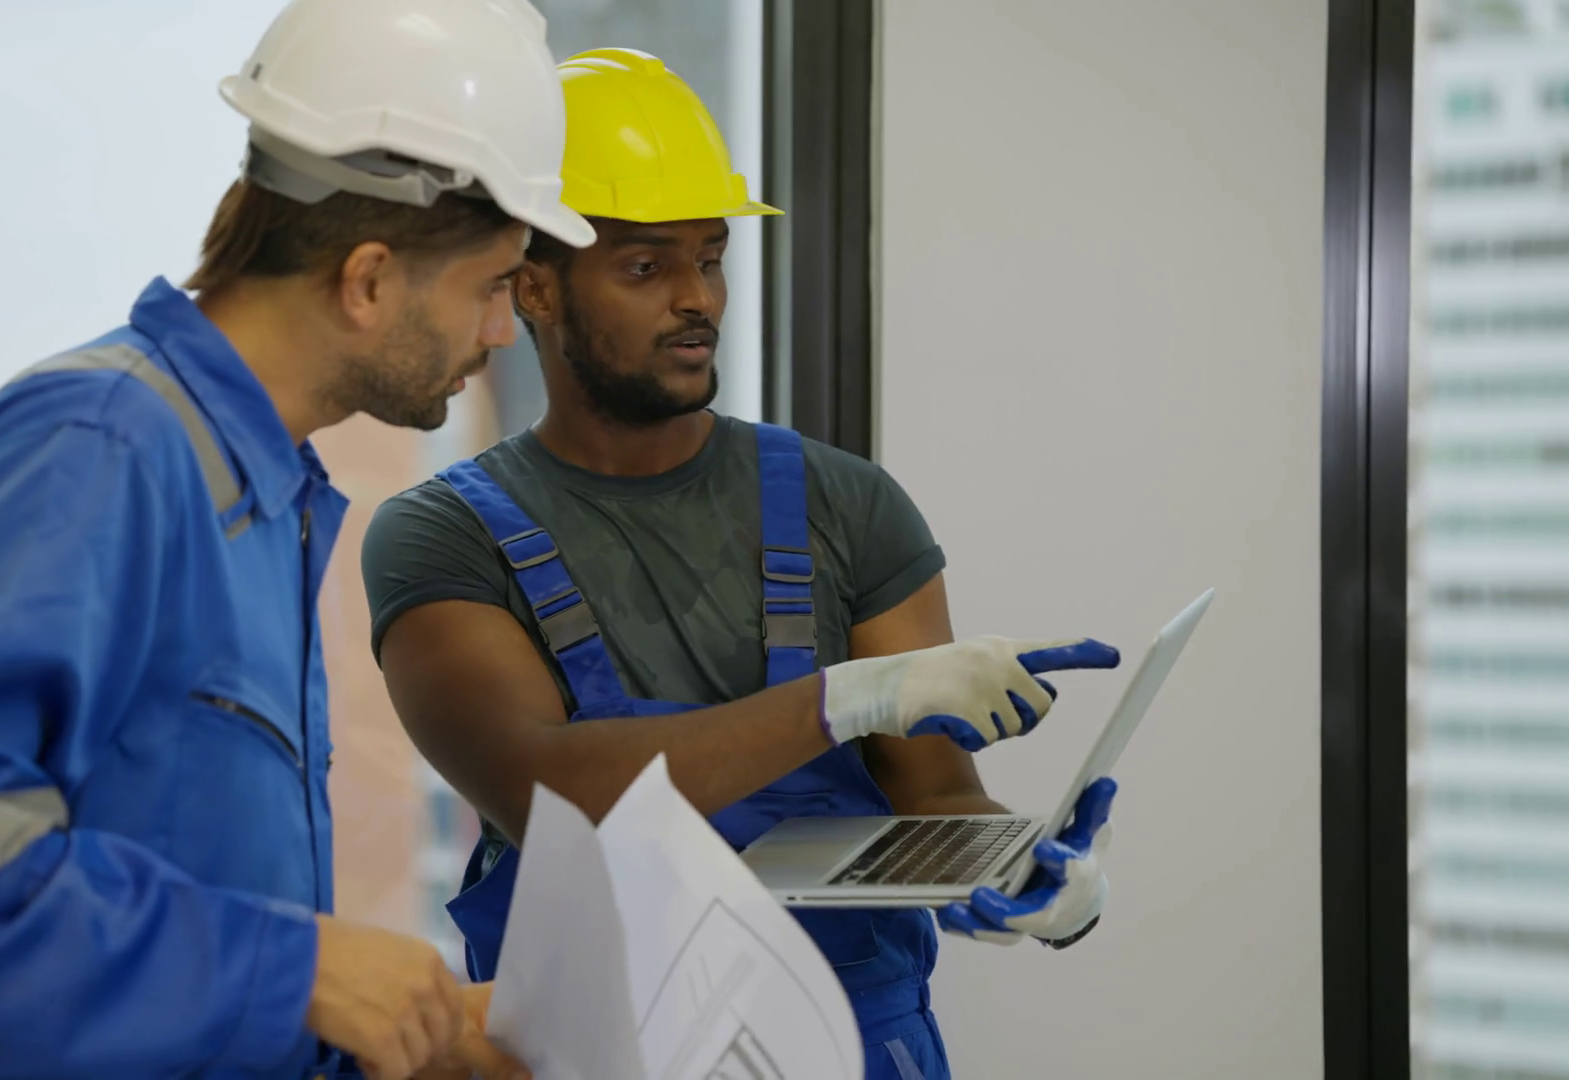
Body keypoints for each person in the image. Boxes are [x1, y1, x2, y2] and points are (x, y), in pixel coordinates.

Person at [0, 2, 591, 1077]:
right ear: (368, 279)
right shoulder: (99, 447)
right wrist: (298, 972)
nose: (505, 329)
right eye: (494, 285)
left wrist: (423, 1036)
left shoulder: (266, 498)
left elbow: (194, 938)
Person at [362, 49, 1123, 1080]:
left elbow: (937, 797)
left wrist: (1021, 867)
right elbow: (551, 795)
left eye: (710, 259)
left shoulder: (846, 504)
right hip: (596, 1053)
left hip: (864, 1045)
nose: (696, 300)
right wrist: (850, 697)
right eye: (646, 265)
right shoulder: (443, 537)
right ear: (533, 285)